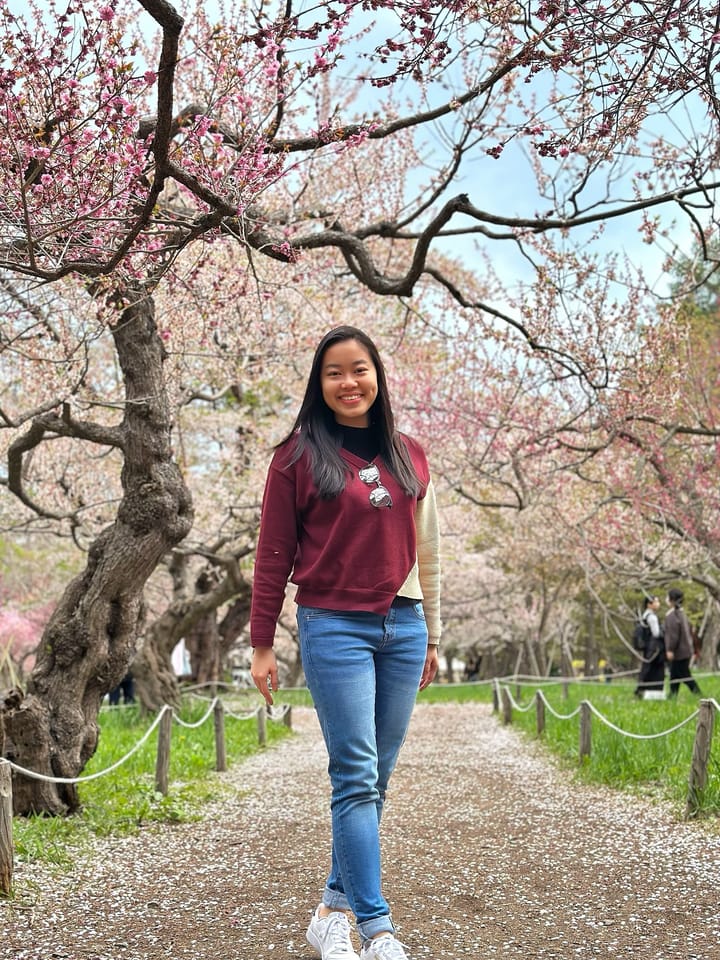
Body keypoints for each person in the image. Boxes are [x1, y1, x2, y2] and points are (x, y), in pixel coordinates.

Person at [249, 326, 441, 960]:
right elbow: (273, 553)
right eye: (334, 372)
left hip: (404, 626)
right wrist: (262, 643)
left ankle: (332, 907)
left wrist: (434, 634)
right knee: (354, 777)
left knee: (374, 780)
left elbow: (430, 554)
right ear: (319, 382)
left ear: (377, 375)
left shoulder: (410, 454)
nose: (349, 383)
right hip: (334, 627)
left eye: (359, 369)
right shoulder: (296, 457)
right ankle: (376, 927)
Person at [663, 588, 702, 698]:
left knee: (684, 675)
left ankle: (698, 694)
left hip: (679, 652)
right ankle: (672, 695)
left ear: (671, 600)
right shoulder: (681, 613)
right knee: (675, 675)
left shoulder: (672, 616)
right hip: (686, 650)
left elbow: (673, 635)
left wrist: (670, 649)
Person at [633, 596, 665, 698]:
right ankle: (651, 691)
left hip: (648, 648)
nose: (658, 603)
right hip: (654, 648)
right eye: (656, 601)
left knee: (647, 669)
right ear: (649, 604)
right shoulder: (652, 617)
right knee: (655, 671)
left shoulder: (645, 615)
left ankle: (641, 689)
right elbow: (656, 633)